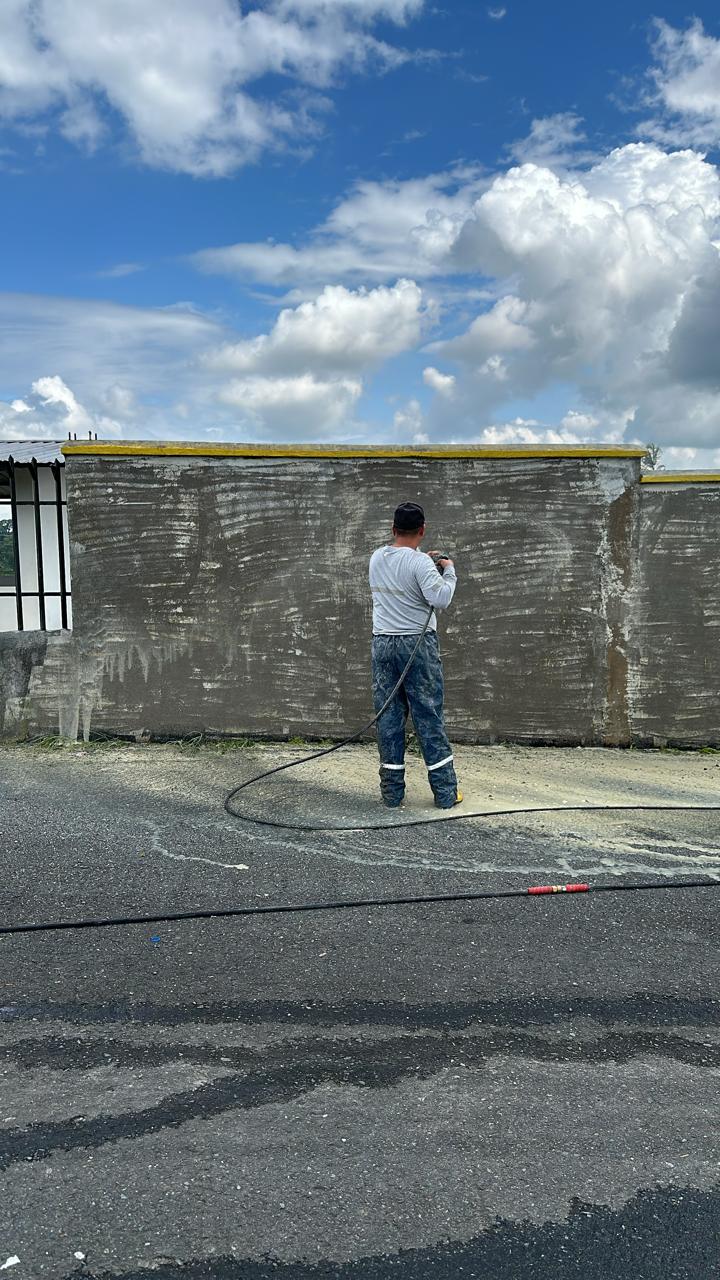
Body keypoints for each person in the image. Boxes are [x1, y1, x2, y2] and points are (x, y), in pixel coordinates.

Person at [368, 501, 462, 810]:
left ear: (393, 529)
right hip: (417, 646)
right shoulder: (421, 563)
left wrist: (424, 560)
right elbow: (441, 598)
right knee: (428, 715)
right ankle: (446, 794)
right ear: (422, 530)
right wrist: (448, 570)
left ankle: (392, 794)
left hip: (383, 645)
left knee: (388, 717)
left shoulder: (376, 558)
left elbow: (402, 567)